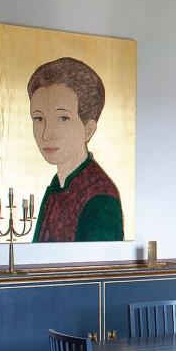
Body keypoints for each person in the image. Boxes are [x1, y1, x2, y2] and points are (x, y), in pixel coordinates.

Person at [28, 56, 124, 242]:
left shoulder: (99, 198)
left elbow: (98, 267)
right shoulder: (58, 185)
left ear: (88, 129)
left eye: (63, 118)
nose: (47, 134)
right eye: (39, 119)